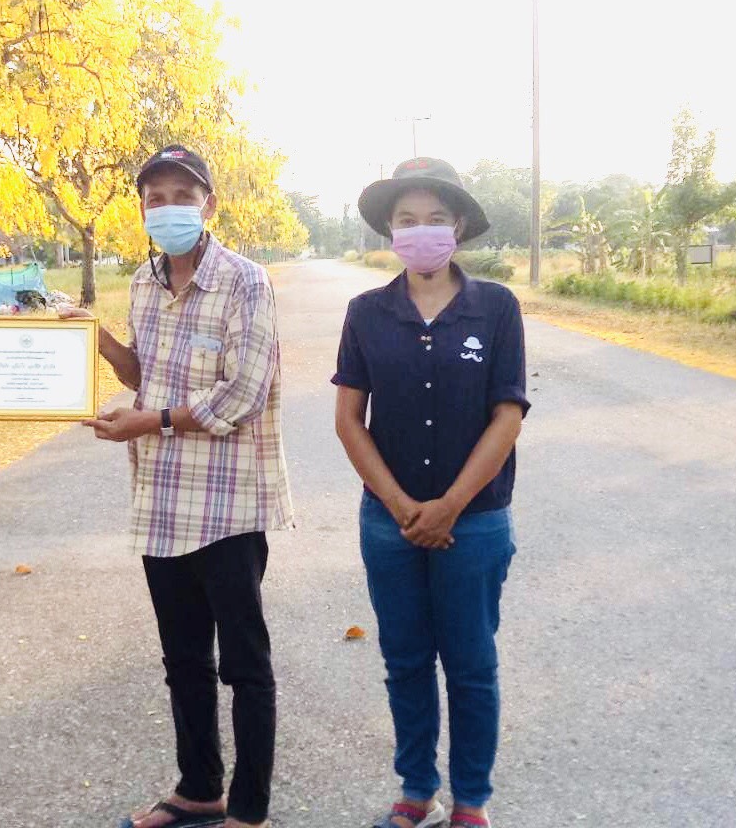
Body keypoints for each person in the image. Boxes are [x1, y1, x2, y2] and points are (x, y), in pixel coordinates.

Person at [62, 145, 293, 828]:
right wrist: (97, 340)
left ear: (208, 204)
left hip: (228, 503)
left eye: (182, 196)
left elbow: (243, 394)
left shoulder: (245, 281)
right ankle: (199, 789)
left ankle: (248, 809)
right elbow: (147, 373)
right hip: (161, 497)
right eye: (154, 198)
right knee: (183, 658)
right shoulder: (143, 281)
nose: (167, 208)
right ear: (142, 208)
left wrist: (150, 421)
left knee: (244, 664)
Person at [332, 158, 529, 828]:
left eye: (436, 219)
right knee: (407, 662)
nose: (422, 231)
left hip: (474, 523)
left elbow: (507, 414)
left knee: (471, 666)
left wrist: (448, 506)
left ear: (459, 228)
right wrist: (400, 506)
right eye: (407, 220)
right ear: (390, 231)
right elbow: (348, 421)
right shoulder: (366, 313)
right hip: (388, 525)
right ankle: (417, 790)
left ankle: (471, 800)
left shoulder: (495, 308)